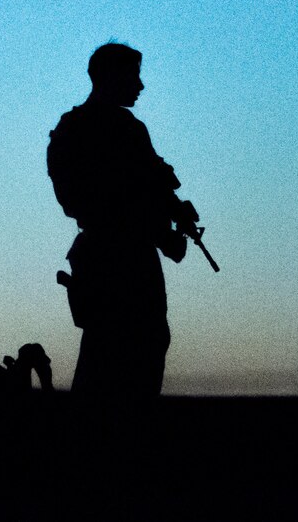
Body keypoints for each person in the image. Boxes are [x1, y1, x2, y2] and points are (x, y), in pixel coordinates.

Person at [47, 43, 194, 397]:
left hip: (99, 256)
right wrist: (164, 230)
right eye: (134, 76)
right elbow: (126, 197)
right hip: (123, 258)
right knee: (136, 348)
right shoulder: (122, 129)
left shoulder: (73, 127)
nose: (140, 86)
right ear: (112, 77)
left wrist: (171, 214)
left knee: (104, 352)